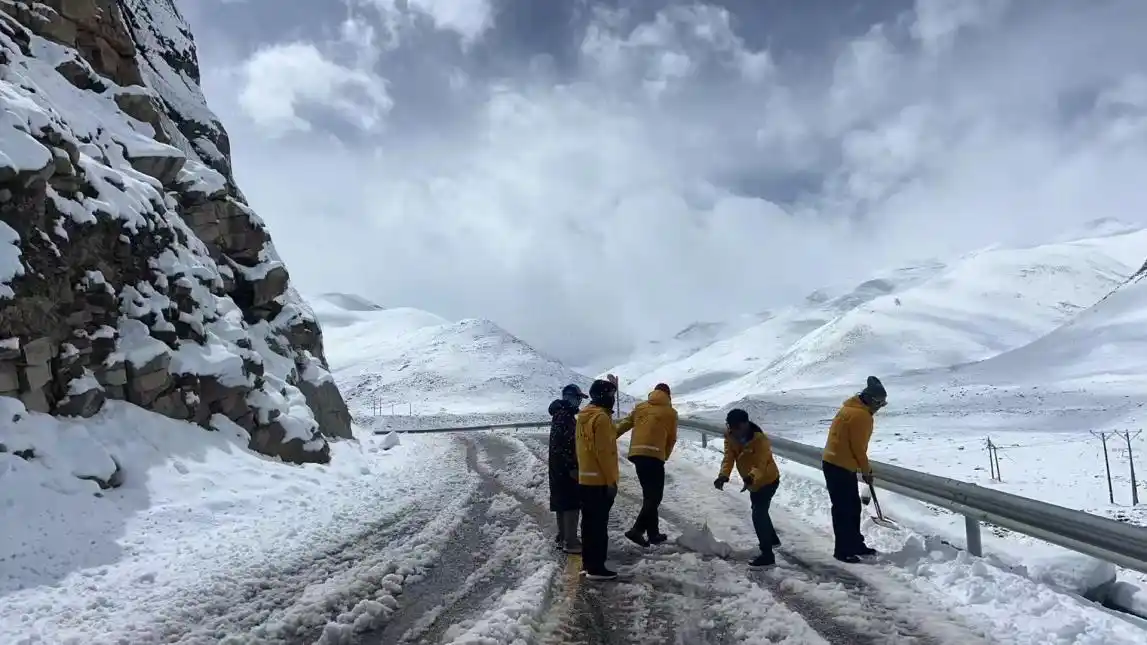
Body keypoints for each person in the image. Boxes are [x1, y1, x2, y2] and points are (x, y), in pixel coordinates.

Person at [822, 375, 886, 563]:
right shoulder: (861, 416)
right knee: (844, 509)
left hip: (834, 463)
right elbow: (859, 448)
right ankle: (842, 550)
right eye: (879, 404)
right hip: (840, 466)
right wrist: (866, 471)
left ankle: (855, 544)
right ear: (871, 401)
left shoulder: (849, 408)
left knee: (851, 507)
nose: (879, 409)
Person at [713, 408, 781, 570]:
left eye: (736, 427)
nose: (733, 430)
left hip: (767, 480)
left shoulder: (760, 440)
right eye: (730, 426)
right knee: (759, 509)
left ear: (745, 424)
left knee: (758, 513)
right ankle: (772, 539)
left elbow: (761, 464)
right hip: (751, 482)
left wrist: (751, 477)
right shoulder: (730, 436)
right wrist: (723, 475)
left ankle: (767, 556)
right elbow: (729, 457)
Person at [576, 376, 627, 580]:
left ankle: (588, 564)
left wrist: (627, 422)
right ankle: (597, 568)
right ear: (604, 396)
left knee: (588, 525)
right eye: (611, 395)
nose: (613, 398)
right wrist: (611, 481)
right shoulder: (602, 419)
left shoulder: (584, 417)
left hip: (585, 480)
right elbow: (605, 453)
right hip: (599, 482)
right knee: (598, 526)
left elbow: (608, 436)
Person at [618, 382, 678, 547]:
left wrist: (610, 437)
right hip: (654, 455)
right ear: (668, 395)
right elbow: (672, 438)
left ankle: (653, 534)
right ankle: (637, 530)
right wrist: (663, 456)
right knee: (655, 496)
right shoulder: (671, 413)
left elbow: (624, 424)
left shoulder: (640, 407)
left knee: (649, 495)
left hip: (637, 454)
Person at [548, 383, 588, 554]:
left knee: (561, 502)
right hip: (566, 468)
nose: (579, 402)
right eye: (578, 398)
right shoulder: (565, 416)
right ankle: (570, 541)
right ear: (571, 398)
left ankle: (562, 537)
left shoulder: (559, 414)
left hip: (558, 467)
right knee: (571, 503)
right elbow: (565, 444)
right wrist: (572, 466)